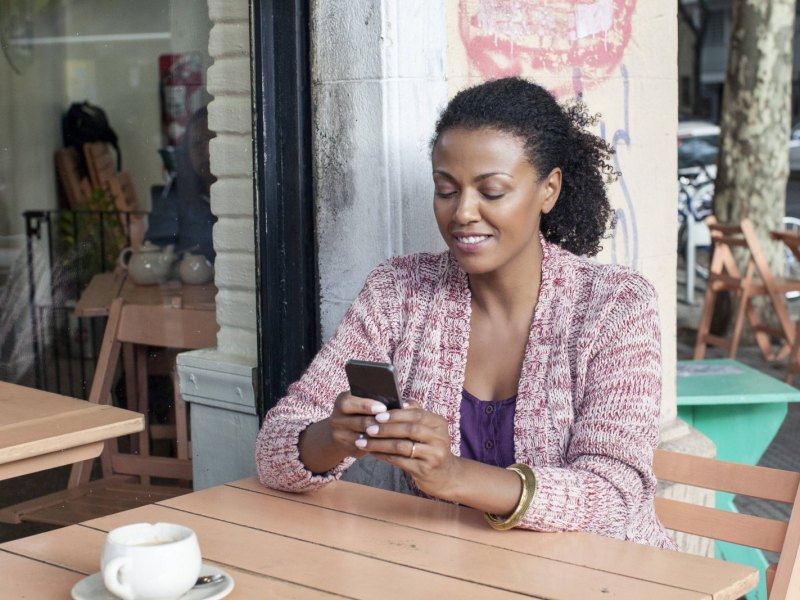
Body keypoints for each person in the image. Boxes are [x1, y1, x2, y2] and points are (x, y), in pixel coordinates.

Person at [255, 77, 676, 549]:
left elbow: (614, 497)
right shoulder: (399, 291)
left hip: (602, 578)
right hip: (453, 572)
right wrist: (335, 436)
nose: (462, 213)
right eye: (446, 189)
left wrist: (453, 475)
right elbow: (274, 450)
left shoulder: (614, 305)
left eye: (492, 191)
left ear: (549, 190)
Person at [145, 107, 217, 262]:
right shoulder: (177, 191)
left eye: (212, 140)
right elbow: (157, 250)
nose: (206, 151)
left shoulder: (244, 195)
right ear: (187, 151)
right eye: (197, 143)